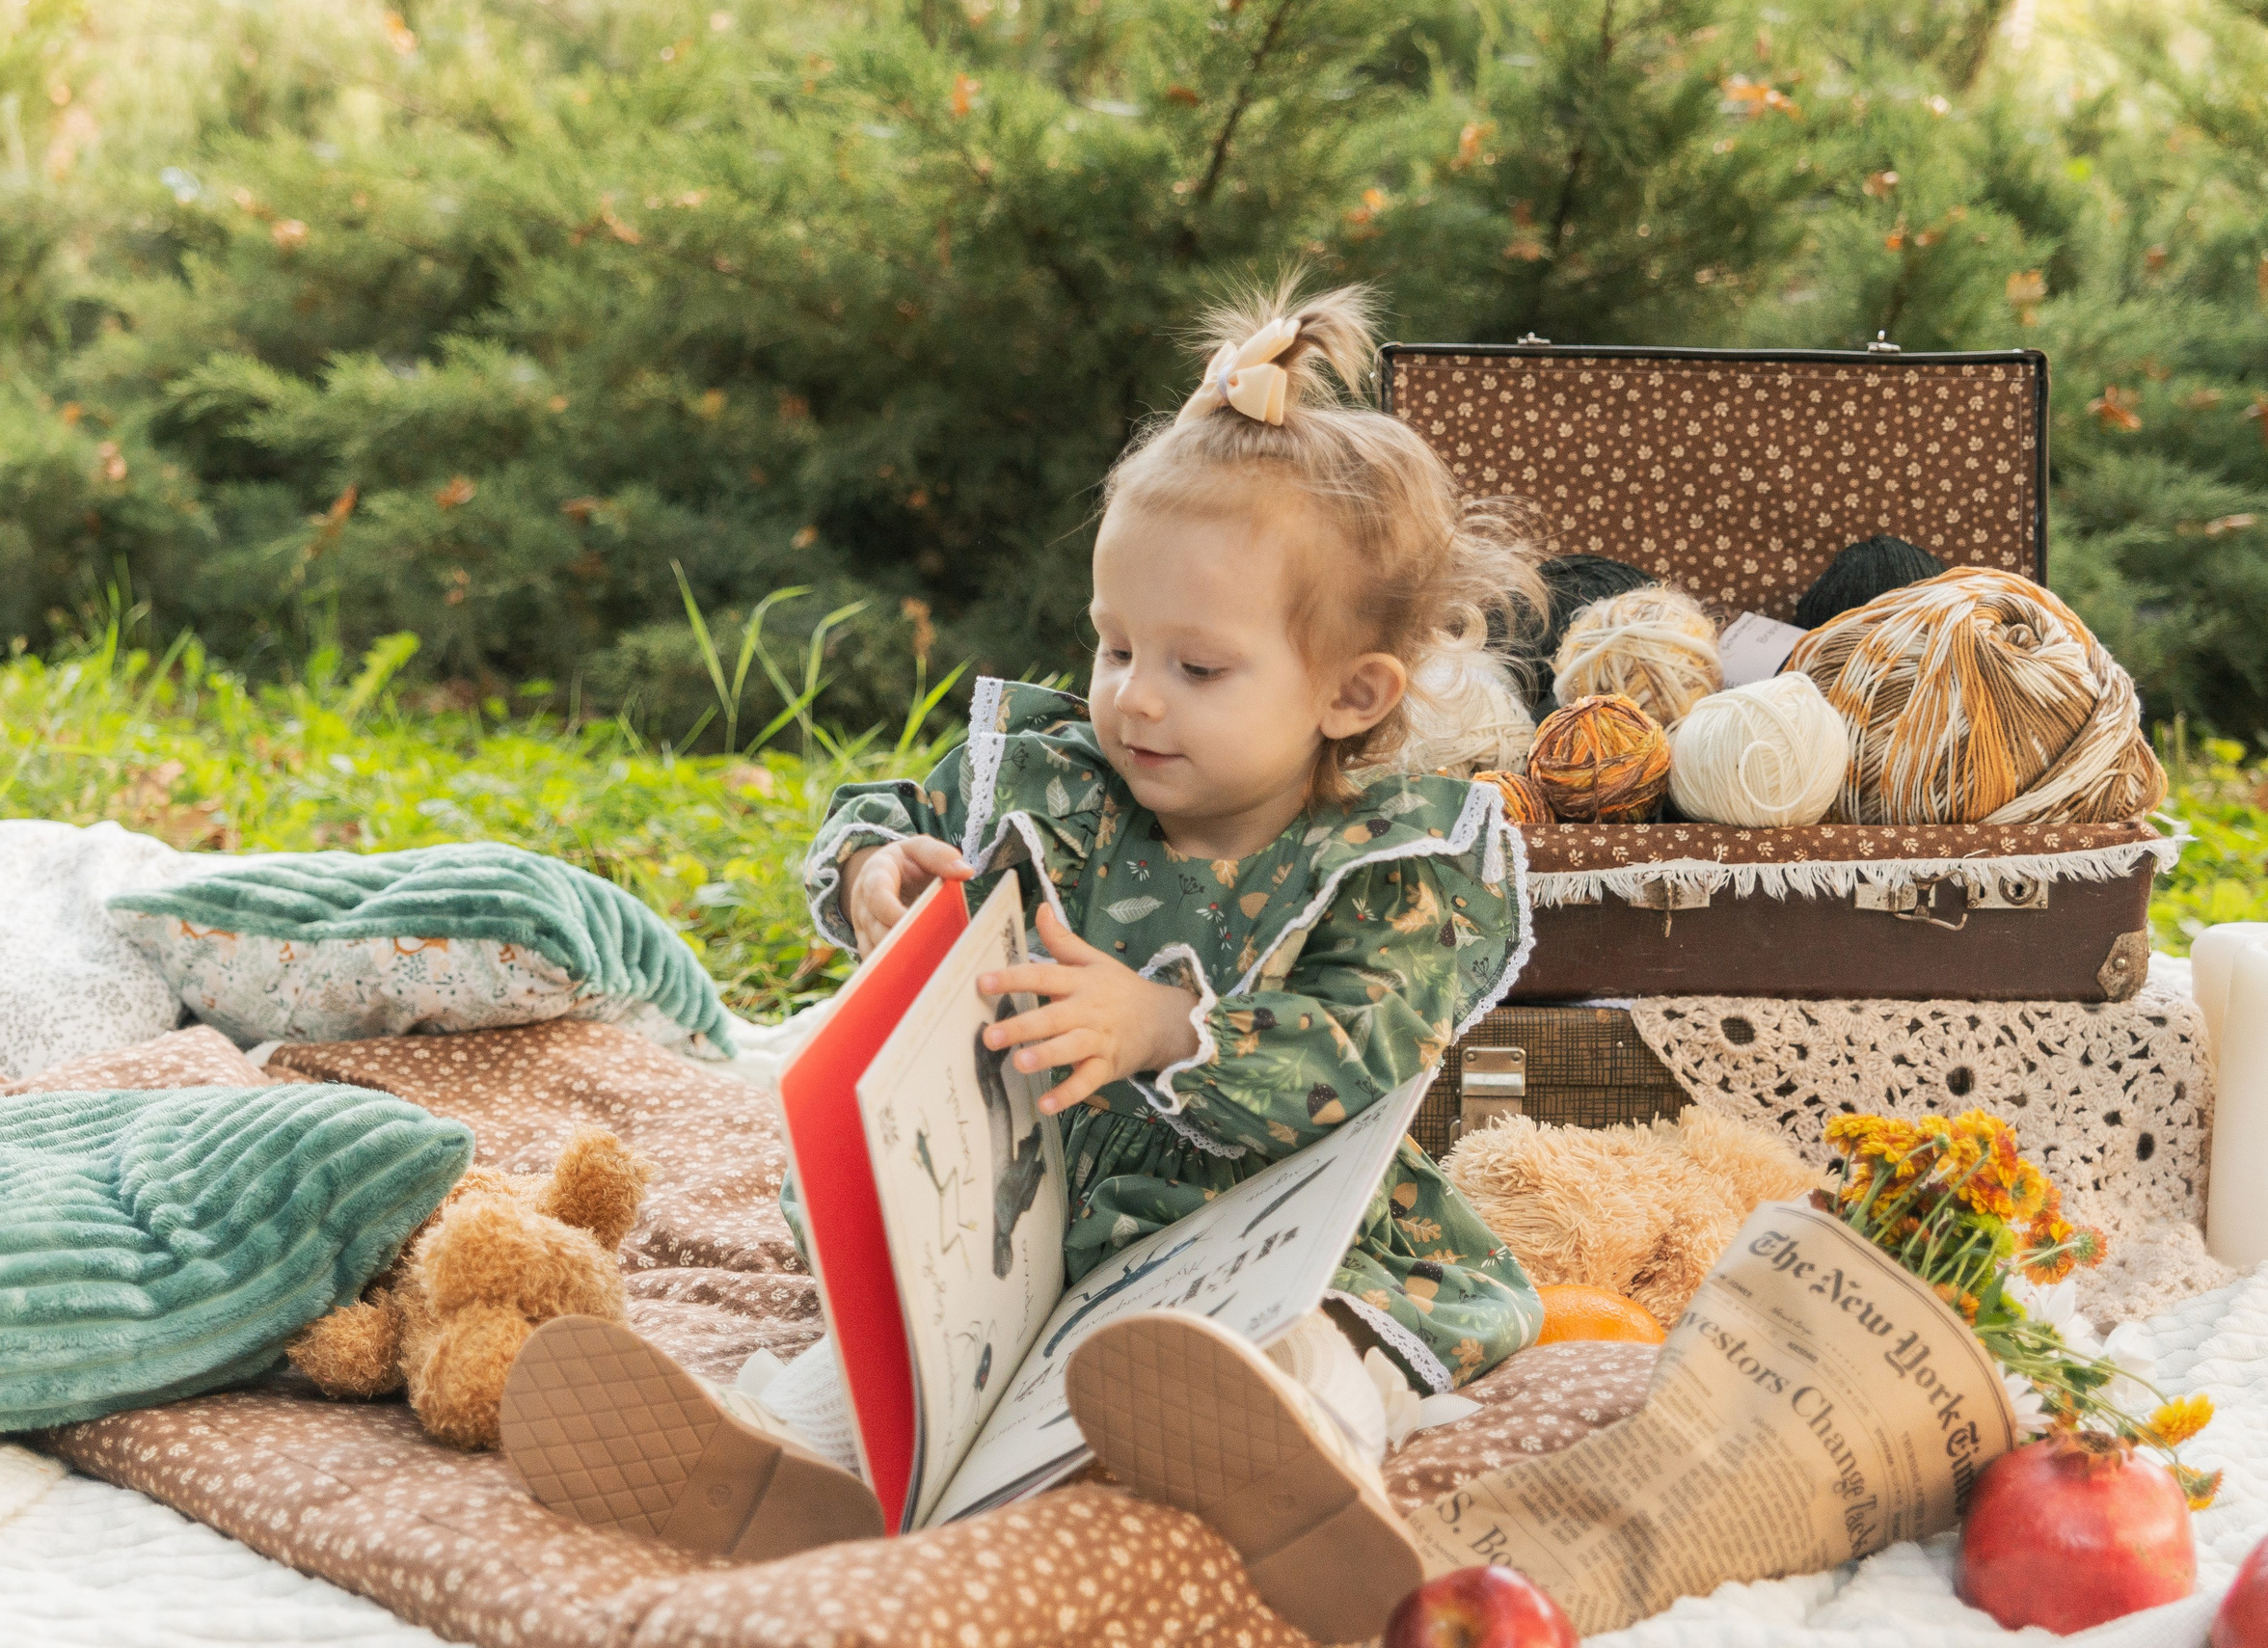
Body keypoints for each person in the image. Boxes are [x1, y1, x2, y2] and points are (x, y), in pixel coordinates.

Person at [502, 281, 1547, 1642]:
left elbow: (1364, 1038)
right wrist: (876, 873)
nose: (1134, 695)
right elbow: (883, 810)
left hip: (1262, 1236)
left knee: (1319, 1344)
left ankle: (1304, 1473)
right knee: (902, 1355)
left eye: (1198, 668)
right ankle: (778, 1462)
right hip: (1028, 1223)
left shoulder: (1392, 862)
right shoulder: (1059, 781)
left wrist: (1167, 1026)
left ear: (1351, 693)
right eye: (1114, 644)